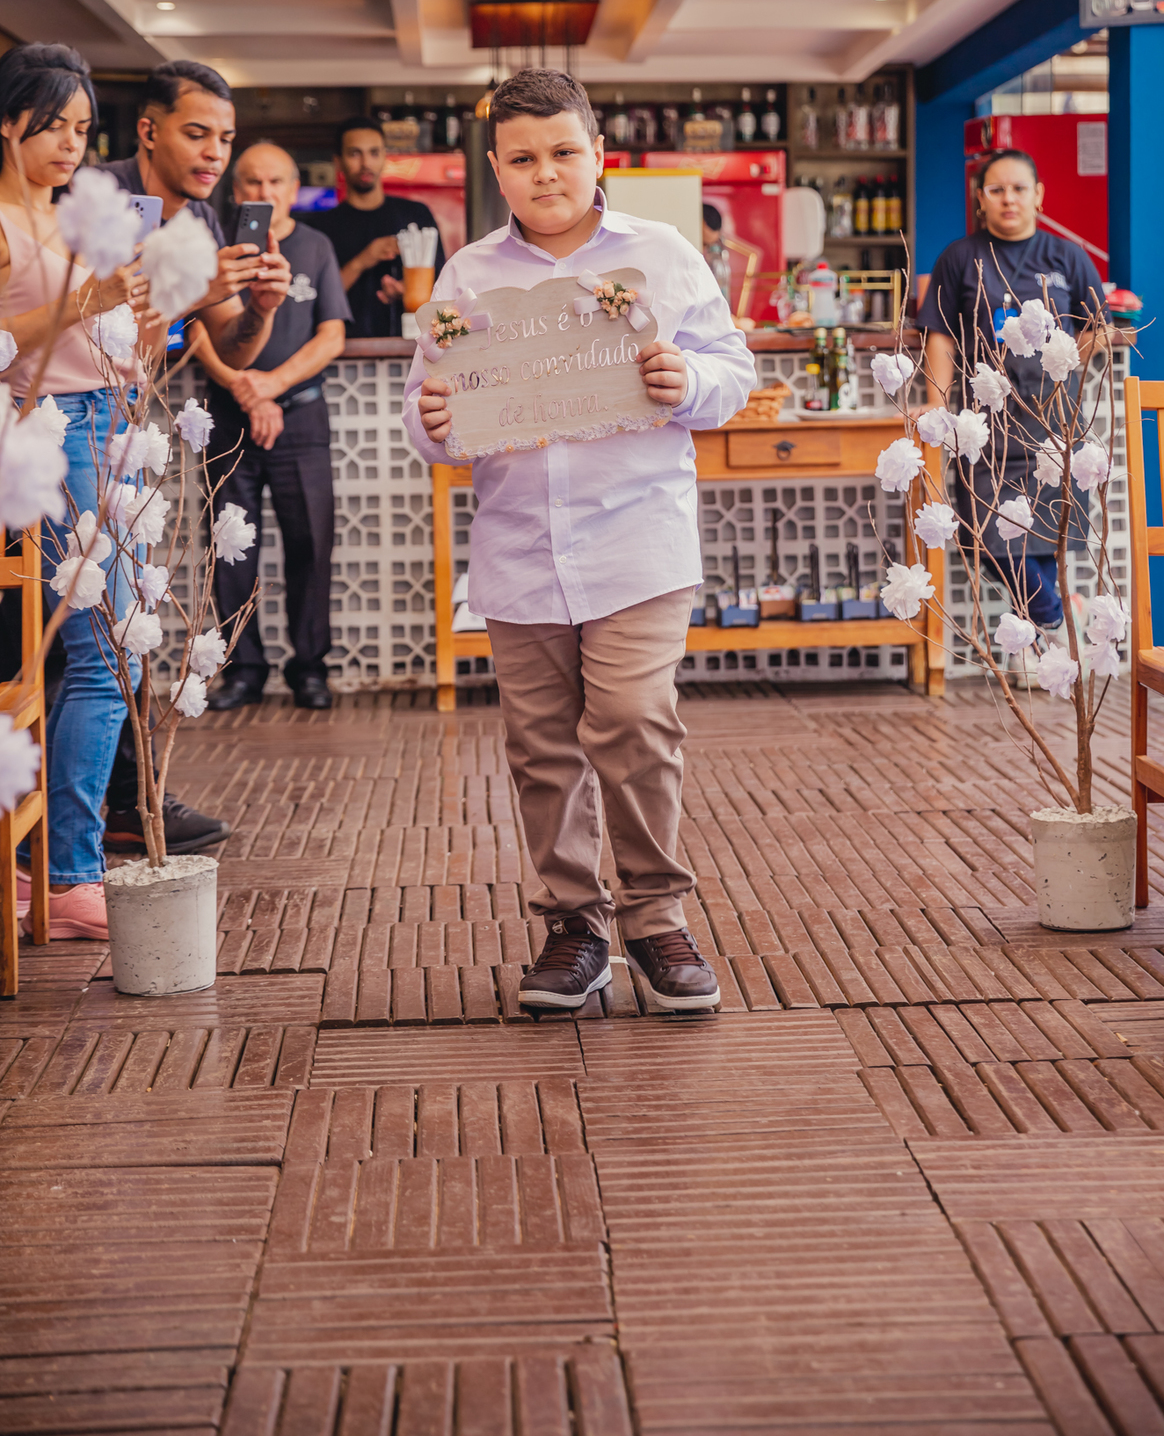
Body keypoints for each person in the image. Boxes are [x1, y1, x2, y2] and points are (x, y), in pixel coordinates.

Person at [403, 69, 756, 1015]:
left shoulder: (665, 253)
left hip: (637, 539)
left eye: (563, 151)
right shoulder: (469, 274)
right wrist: (433, 417)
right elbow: (426, 410)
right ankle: (573, 924)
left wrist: (692, 378)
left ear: (599, 154)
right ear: (496, 170)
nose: (546, 173)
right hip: (519, 547)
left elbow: (733, 370)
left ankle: (655, 917)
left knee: (636, 723)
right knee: (541, 746)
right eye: (523, 159)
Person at [0, 43, 288, 939]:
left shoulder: (80, 220)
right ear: (8, 121)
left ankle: (39, 864)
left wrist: (223, 308)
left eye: (81, 129)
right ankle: (72, 870)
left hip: (111, 427)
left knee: (96, 656)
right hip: (45, 429)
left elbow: (157, 340)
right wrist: (92, 301)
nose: (68, 145)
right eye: (52, 125)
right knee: (96, 657)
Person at [96, 58, 295, 853]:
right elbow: (98, 328)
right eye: (196, 133)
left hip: (136, 434)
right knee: (95, 635)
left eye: (225, 137)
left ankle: (133, 795)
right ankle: (112, 805)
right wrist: (198, 286)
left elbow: (223, 345)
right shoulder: (104, 204)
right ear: (149, 131)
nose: (214, 152)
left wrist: (264, 309)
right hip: (71, 426)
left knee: (129, 624)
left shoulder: (205, 223)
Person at [917, 147, 1108, 637]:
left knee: (1045, 538)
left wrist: (1069, 355)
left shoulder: (1068, 257)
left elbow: (1097, 327)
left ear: (1038, 195)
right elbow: (938, 331)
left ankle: (1046, 638)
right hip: (984, 429)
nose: (1009, 199)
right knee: (989, 542)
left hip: (1053, 425)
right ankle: (1057, 619)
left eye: (1019, 189)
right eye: (997, 190)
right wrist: (937, 403)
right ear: (980, 199)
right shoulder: (960, 257)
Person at [192, 143, 350, 712]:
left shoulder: (316, 247)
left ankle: (310, 668)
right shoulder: (216, 253)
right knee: (230, 550)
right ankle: (242, 669)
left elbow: (331, 336)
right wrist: (243, 388)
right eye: (252, 182)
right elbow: (197, 334)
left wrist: (271, 385)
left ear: (293, 187)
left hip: (301, 417)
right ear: (235, 193)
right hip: (228, 417)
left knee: (310, 543)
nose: (264, 193)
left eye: (276, 181)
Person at [306, 116, 445, 338]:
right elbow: (311, 301)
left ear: (384, 158)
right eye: (354, 153)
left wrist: (407, 292)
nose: (365, 163)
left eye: (374, 153)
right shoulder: (320, 228)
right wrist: (363, 260)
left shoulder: (416, 215)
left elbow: (443, 291)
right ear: (338, 162)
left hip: (412, 348)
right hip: (343, 352)